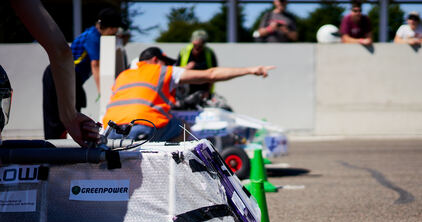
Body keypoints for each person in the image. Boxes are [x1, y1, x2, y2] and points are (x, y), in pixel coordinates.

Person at [102, 47, 274, 141]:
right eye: (164, 62)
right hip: (142, 128)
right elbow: (211, 75)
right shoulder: (162, 71)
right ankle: (186, 176)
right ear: (155, 60)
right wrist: (251, 70)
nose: (167, 65)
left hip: (110, 131)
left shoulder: (123, 76)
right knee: (184, 128)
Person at [7, 0, 100, 147]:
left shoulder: (89, 34)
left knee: (53, 131)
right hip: (64, 73)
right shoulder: (94, 37)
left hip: (60, 73)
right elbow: (62, 52)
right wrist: (69, 116)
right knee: (57, 133)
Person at [43, 7, 122, 141]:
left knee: (68, 115)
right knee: (58, 119)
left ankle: (62, 150)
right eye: (115, 29)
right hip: (61, 75)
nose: (116, 32)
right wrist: (102, 92)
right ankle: (55, 153)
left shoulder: (91, 34)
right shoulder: (94, 37)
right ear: (109, 27)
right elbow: (95, 64)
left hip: (66, 76)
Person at [176, 30, 218, 98]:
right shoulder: (184, 52)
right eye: (195, 46)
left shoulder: (209, 53)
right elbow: (175, 71)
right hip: (185, 92)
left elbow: (214, 74)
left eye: (199, 47)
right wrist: (186, 67)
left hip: (203, 93)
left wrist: (208, 91)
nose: (197, 49)